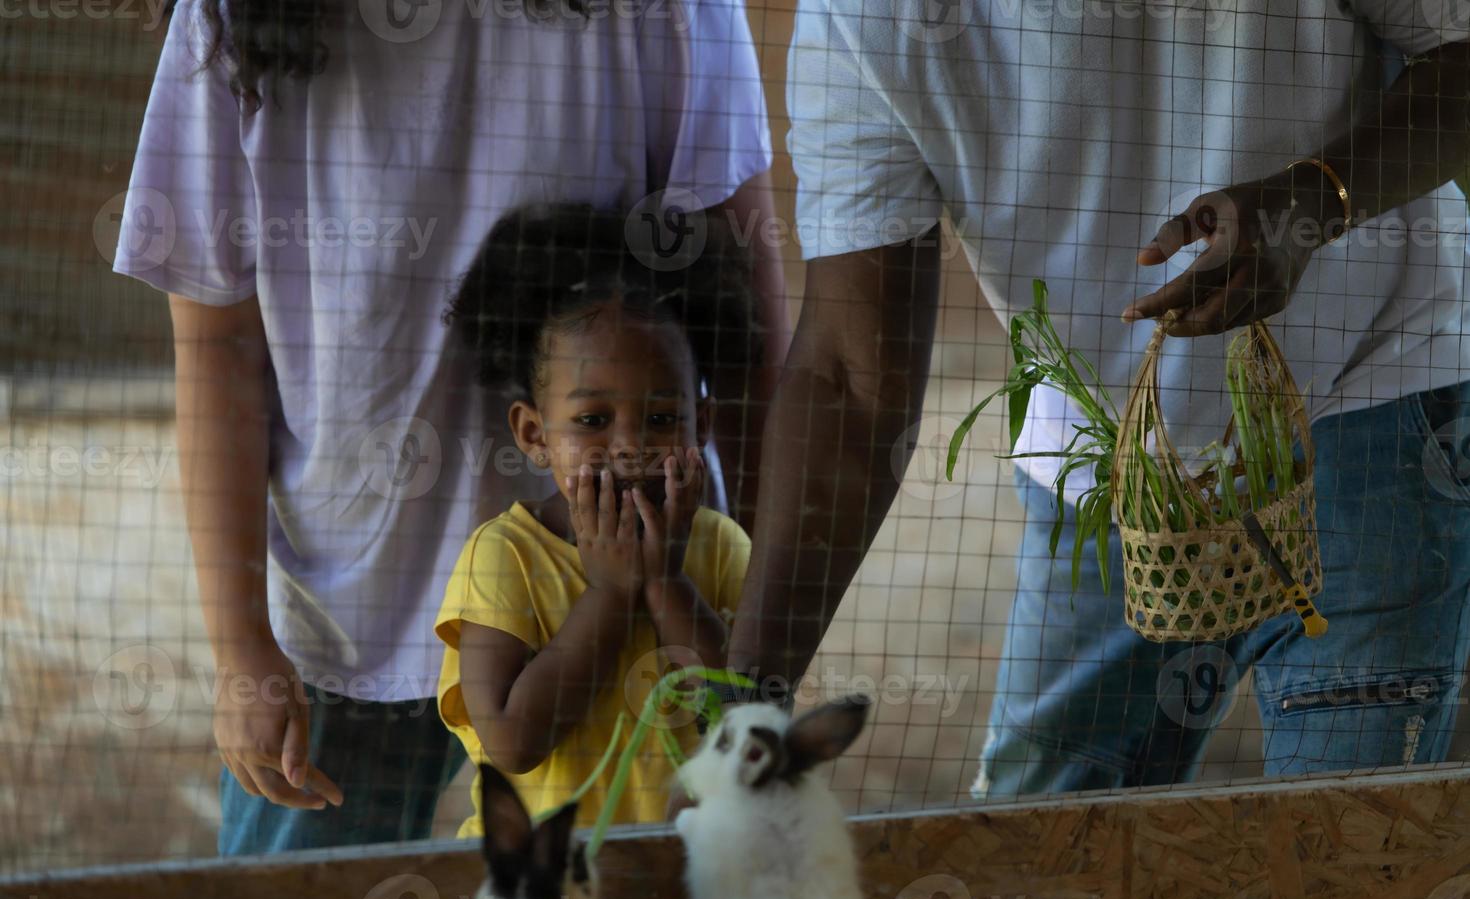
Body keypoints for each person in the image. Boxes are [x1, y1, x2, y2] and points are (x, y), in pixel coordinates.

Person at [727, 0, 1470, 797]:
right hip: (1103, 471)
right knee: (1040, 865)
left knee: (1348, 856)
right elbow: (848, 380)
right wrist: (739, 713)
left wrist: (1315, 201)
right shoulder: (863, 19)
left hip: (1371, 410)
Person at [113, 0, 783, 854]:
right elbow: (216, 345)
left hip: (633, 590)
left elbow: (752, 333)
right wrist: (242, 649)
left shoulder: (667, 10)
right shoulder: (236, 17)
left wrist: (759, 618)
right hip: (353, 605)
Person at [435, 203, 754, 834]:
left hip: (689, 875)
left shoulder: (720, 548)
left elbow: (743, 720)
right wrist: (611, 592)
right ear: (534, 433)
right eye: (592, 421)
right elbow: (512, 742)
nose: (631, 446)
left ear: (703, 425)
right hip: (544, 890)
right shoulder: (506, 556)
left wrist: (665, 581)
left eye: (663, 419)